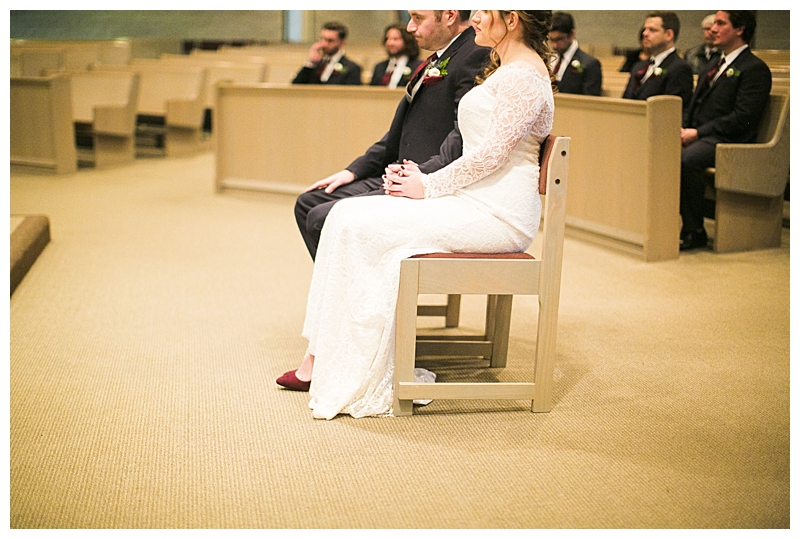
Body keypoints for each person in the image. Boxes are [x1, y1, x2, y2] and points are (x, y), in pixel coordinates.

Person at [277, 10, 556, 420]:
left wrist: (428, 186)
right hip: (471, 199)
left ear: (511, 19)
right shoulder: (508, 67)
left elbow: (491, 155)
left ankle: (347, 360)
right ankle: (321, 355)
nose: (474, 17)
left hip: (497, 214)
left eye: (483, 11)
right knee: (342, 217)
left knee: (357, 226)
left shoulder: (525, 76)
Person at [294, 11, 490, 260]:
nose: (410, 27)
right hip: (396, 171)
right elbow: (398, 134)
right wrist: (353, 171)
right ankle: (353, 292)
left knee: (322, 218)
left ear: (450, 15)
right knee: (308, 203)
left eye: (418, 18)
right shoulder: (443, 56)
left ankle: (361, 295)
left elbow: (463, 132)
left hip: (423, 181)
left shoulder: (474, 53)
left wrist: (422, 177)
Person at [679, 10, 772, 251]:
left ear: (740, 29)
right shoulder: (714, 64)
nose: (713, 29)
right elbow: (694, 102)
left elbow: (744, 118)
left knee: (686, 160)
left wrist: (697, 134)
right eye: (713, 24)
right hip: (703, 134)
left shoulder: (754, 68)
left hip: (729, 139)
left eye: (721, 23)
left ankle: (694, 229)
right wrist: (683, 129)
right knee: (659, 150)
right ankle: (663, 224)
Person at [622, 11, 694, 109]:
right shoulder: (638, 66)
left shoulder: (679, 68)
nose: (645, 33)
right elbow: (625, 102)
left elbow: (672, 111)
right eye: (645, 29)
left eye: (652, 30)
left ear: (668, 35)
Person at [548, 11, 602, 96]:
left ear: (572, 34)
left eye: (559, 39)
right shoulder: (546, 60)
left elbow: (590, 103)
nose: (554, 45)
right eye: (551, 39)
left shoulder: (590, 65)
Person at [292, 21, 363, 85]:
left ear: (342, 43)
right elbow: (296, 87)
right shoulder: (315, 65)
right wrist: (311, 62)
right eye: (322, 39)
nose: (324, 44)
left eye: (330, 41)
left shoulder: (351, 68)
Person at [370, 22, 423, 88]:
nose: (390, 43)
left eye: (395, 39)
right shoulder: (379, 67)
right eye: (387, 39)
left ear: (406, 41)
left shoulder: (419, 67)